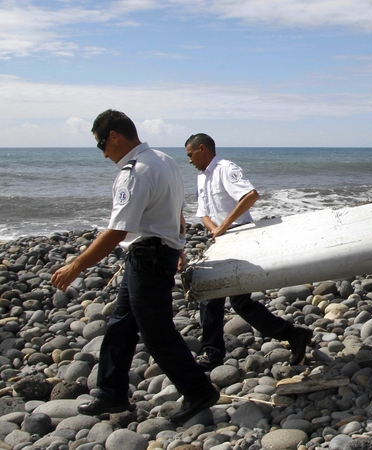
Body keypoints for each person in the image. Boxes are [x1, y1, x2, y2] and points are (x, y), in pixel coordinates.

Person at [52, 110, 219, 424]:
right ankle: (110, 392)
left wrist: (77, 265)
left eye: (102, 144)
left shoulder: (135, 171)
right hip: (152, 254)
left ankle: (199, 390)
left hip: (148, 257)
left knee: (157, 332)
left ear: (114, 136)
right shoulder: (164, 161)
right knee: (121, 325)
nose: (103, 154)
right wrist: (178, 245)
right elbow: (176, 209)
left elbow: (116, 232)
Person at [185, 133, 313, 369]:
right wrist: (215, 230)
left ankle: (291, 335)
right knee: (216, 297)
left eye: (190, 155)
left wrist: (224, 227)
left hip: (240, 236)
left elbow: (250, 195)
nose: (189, 160)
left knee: (235, 300)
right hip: (221, 240)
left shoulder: (225, 169)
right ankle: (214, 352)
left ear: (202, 149)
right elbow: (203, 212)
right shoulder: (202, 178)